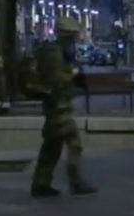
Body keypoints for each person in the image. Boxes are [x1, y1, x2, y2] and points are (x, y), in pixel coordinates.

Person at [30, 16, 97, 197]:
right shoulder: (54, 54)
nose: (74, 41)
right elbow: (57, 81)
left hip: (57, 105)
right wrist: (73, 74)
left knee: (51, 147)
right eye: (72, 36)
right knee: (74, 144)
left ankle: (41, 183)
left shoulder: (57, 52)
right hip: (57, 106)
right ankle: (76, 182)